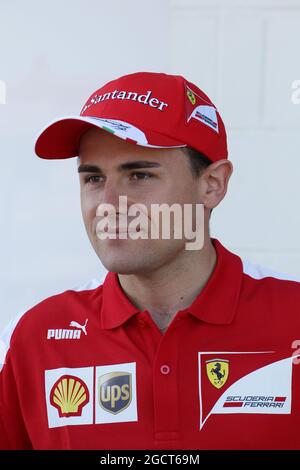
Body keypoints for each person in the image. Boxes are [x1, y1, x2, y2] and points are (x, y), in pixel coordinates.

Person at [1, 71, 300, 450]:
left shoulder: (293, 317)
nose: (108, 206)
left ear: (212, 185)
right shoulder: (32, 338)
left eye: (139, 175)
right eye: (93, 179)